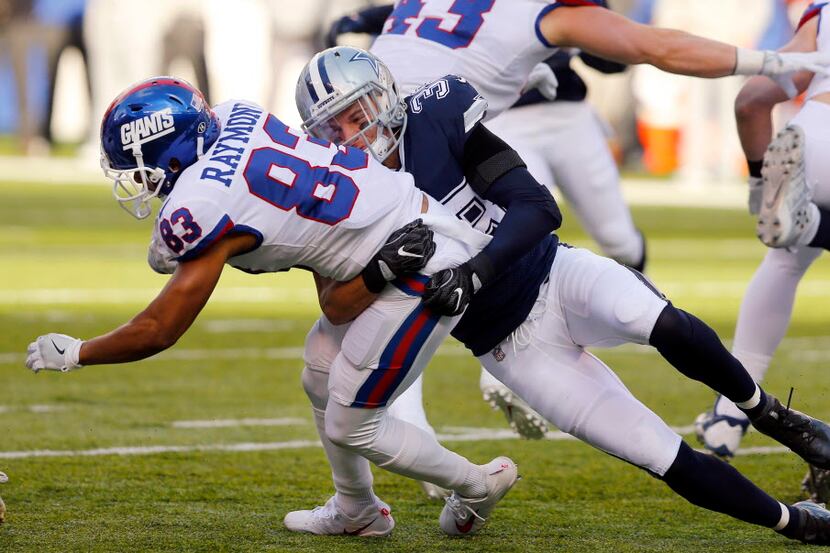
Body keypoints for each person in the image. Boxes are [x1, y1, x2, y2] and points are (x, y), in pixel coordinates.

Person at [288, 45, 830, 545]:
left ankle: (768, 415)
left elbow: (538, 206)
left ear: (385, 98)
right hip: (511, 349)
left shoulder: (436, 122)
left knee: (666, 324)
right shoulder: (336, 197)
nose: (354, 136)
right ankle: (798, 524)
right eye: (335, 129)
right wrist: (381, 271)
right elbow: (335, 305)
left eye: (359, 115)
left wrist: (476, 271)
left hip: (554, 273)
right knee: (661, 455)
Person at [23, 76, 520, 537]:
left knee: (352, 422)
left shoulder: (202, 204)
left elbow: (160, 328)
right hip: (395, 232)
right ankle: (356, 510)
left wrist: (78, 353)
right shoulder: (236, 113)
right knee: (320, 373)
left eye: (140, 165)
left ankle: (477, 484)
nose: (138, 179)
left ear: (171, 156)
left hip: (421, 259)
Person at [696, 2, 830, 488]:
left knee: (784, 261)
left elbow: (751, 100)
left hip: (810, 141)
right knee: (793, 244)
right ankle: (810, 224)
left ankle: (729, 413)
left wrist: (759, 185)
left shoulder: (823, 14)